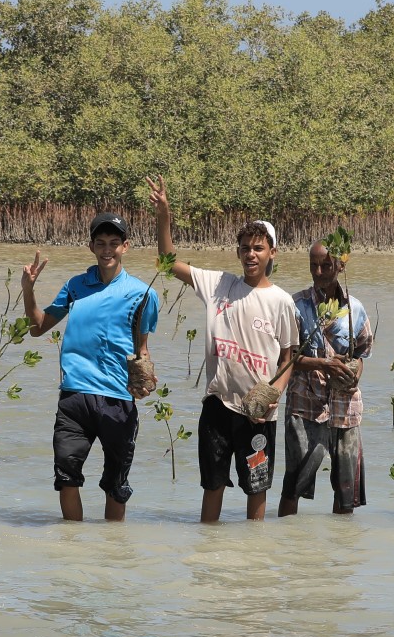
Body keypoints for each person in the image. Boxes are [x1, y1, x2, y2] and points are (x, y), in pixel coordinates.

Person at [151, 175, 298, 523]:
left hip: (258, 412)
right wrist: (163, 217)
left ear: (272, 253)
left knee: (256, 487)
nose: (251, 254)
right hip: (217, 406)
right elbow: (167, 263)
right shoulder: (219, 284)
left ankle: (254, 556)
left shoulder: (281, 302)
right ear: (238, 251)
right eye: (245, 247)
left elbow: (289, 358)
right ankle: (207, 555)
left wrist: (273, 395)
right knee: (212, 484)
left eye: (258, 248)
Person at [20, 211, 157, 522]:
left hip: (117, 399)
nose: (107, 250)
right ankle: (74, 550)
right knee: (66, 477)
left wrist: (145, 378)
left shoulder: (143, 293)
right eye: (100, 243)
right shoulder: (75, 285)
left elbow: (143, 348)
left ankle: (109, 552)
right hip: (74, 398)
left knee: (116, 484)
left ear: (126, 246)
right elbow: (38, 327)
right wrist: (28, 289)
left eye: (113, 243)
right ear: (91, 247)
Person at [281, 243, 374, 517]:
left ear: (341, 266)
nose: (318, 272)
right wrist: (323, 364)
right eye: (313, 265)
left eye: (326, 265)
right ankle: (288, 546)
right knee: (293, 486)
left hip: (346, 408)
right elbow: (286, 359)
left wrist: (354, 372)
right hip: (305, 405)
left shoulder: (355, 309)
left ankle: (342, 553)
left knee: (346, 493)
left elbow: (362, 354)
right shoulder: (296, 305)